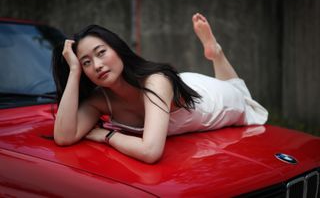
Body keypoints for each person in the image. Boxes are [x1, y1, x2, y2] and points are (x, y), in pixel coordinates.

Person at [52, 13, 268, 164]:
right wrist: (73, 70)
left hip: (211, 99)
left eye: (101, 52)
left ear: (118, 49)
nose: (97, 65)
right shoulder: (101, 99)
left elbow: (151, 151)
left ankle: (216, 53)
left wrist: (105, 135)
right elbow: (63, 137)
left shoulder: (155, 82)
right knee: (233, 86)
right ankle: (215, 54)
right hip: (176, 87)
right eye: (86, 62)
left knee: (239, 93)